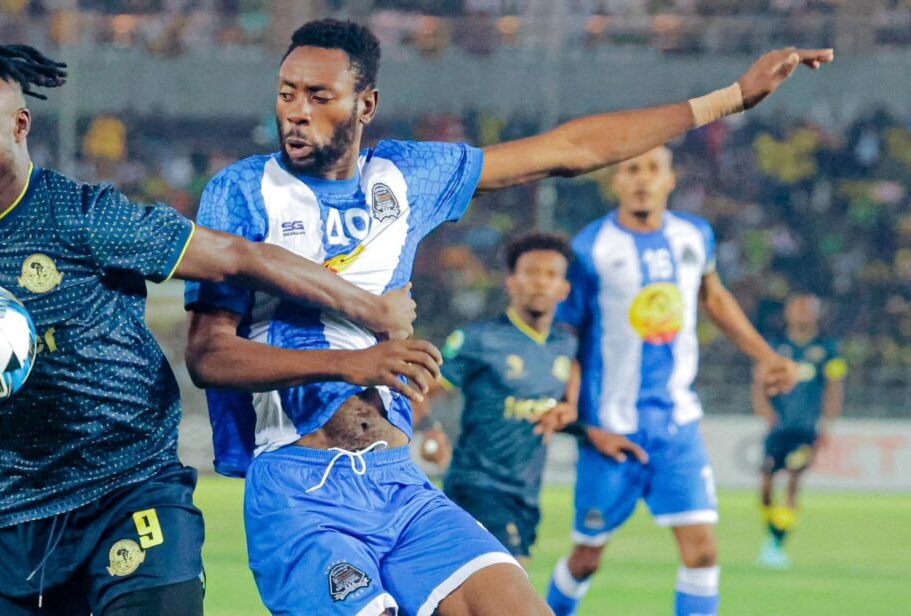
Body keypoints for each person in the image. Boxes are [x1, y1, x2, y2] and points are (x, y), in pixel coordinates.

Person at [0, 19, 423, 616]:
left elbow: (236, 256)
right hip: (7, 514)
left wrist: (367, 307)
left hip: (127, 493)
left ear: (19, 125)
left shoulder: (85, 217)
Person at [184, 17, 829, 616]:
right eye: (287, 94)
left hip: (397, 481)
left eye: (319, 96)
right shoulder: (243, 192)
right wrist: (353, 363)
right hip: (301, 488)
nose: (296, 112)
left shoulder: (407, 177)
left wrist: (729, 99)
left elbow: (569, 148)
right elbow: (209, 356)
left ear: (365, 104)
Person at [544, 147, 802, 616]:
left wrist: (766, 357)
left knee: (702, 553)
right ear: (616, 182)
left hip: (677, 426)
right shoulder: (591, 247)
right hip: (611, 430)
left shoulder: (694, 235)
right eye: (631, 170)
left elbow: (714, 298)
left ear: (670, 178)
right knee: (586, 560)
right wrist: (581, 419)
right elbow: (569, 337)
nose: (642, 179)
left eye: (652, 169)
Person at [419, 232, 647, 564]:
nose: (540, 282)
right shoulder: (479, 340)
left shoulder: (565, 345)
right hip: (476, 486)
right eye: (531, 273)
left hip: (525, 494)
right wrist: (430, 429)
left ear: (564, 289)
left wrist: (587, 429)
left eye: (551, 274)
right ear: (511, 282)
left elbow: (556, 404)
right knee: (511, 581)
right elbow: (419, 392)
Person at [754, 292, 846, 569]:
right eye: (797, 309)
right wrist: (765, 412)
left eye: (807, 309)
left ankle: (777, 543)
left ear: (816, 315)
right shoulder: (776, 346)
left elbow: (834, 389)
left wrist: (827, 425)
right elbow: (759, 381)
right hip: (779, 427)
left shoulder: (828, 350)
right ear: (788, 313)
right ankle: (772, 534)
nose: (802, 314)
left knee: (793, 480)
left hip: (806, 429)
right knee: (766, 485)